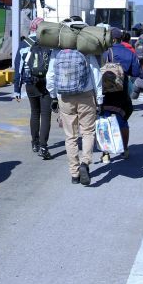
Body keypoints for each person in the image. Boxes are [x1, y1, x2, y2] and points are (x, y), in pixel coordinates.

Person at [46, 20, 103, 186]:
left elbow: (50, 77)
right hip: (86, 95)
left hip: (65, 96)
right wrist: (99, 98)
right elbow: (95, 75)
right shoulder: (87, 49)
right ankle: (85, 162)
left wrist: (53, 95)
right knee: (87, 132)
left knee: (70, 136)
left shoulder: (57, 51)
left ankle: (74, 173)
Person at [13, 17, 52, 160]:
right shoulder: (49, 43)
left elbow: (18, 68)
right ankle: (43, 146)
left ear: (32, 28)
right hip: (46, 83)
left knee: (35, 113)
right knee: (46, 115)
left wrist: (17, 89)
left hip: (30, 83)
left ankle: (34, 143)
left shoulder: (24, 44)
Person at [99, 27, 140, 163]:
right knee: (122, 119)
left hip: (106, 91)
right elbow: (135, 73)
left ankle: (106, 153)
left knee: (105, 121)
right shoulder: (130, 53)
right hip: (122, 91)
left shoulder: (104, 53)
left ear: (112, 39)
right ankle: (124, 149)